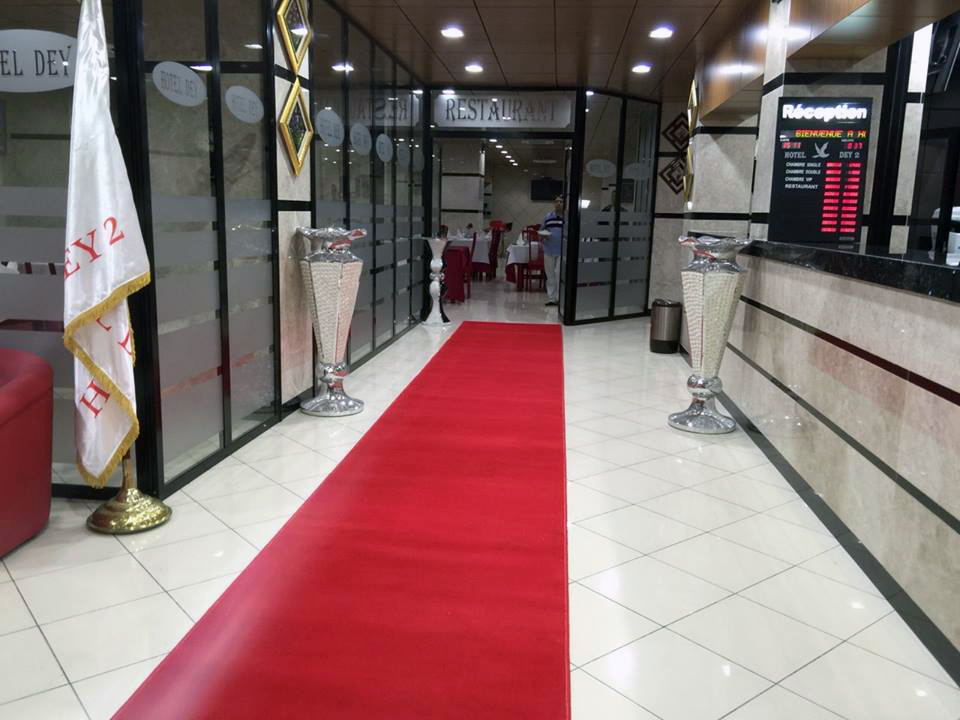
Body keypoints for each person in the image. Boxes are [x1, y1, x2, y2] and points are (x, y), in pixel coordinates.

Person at [541, 196, 564, 306]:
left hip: (562, 250)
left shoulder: (568, 217)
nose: (558, 203)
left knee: (559, 274)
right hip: (548, 249)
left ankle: (559, 298)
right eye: (556, 201)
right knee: (550, 275)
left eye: (561, 201)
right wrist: (543, 235)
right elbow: (542, 230)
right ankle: (551, 298)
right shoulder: (548, 216)